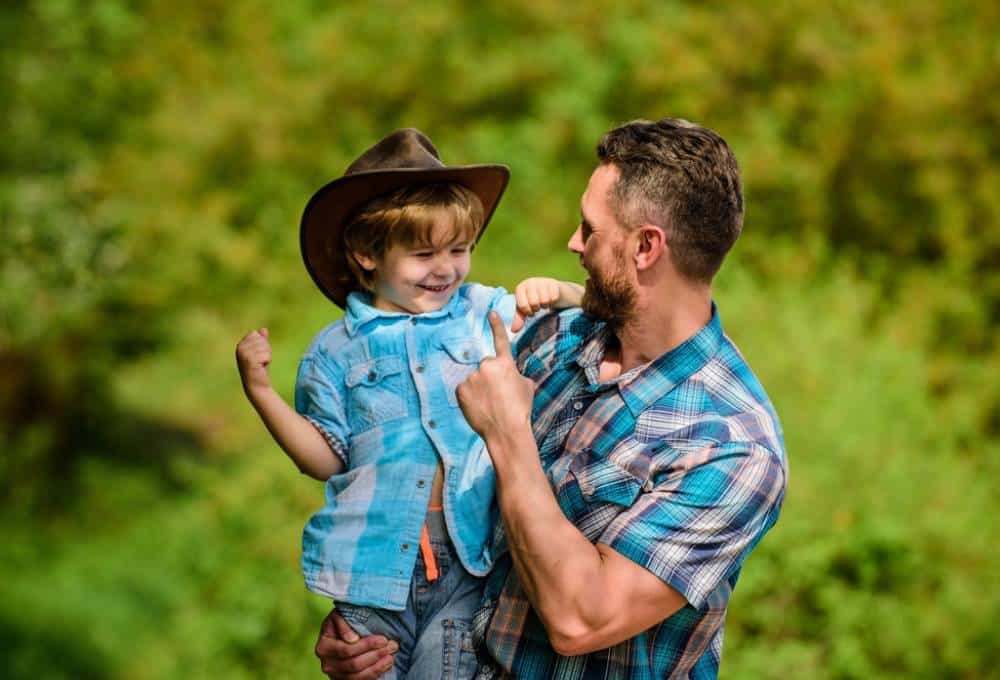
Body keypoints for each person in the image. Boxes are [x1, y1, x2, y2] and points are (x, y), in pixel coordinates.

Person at [314, 118, 788, 679]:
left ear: (645, 247)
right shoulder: (555, 341)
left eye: (589, 229)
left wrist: (508, 431)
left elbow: (579, 620)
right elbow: (419, 472)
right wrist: (374, 622)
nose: (572, 243)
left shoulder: (731, 447)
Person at [236, 128, 583, 679]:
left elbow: (589, 324)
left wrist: (563, 293)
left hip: (466, 567)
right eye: (423, 254)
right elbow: (325, 457)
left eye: (459, 250)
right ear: (366, 254)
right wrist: (261, 393)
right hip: (371, 573)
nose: (445, 268)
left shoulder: (480, 312)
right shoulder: (334, 352)